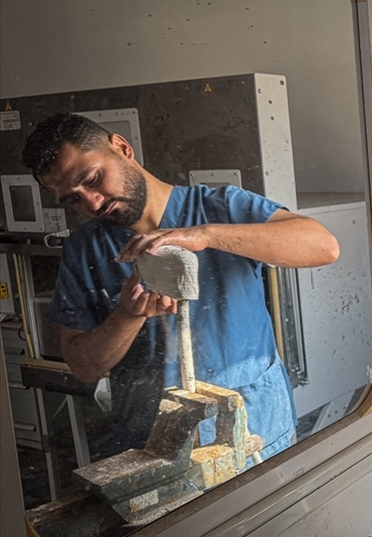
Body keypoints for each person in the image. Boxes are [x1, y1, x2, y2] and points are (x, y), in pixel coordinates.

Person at [22, 112, 340, 461]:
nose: (92, 203)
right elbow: (84, 366)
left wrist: (206, 235)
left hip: (255, 433)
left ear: (122, 148)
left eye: (94, 178)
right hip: (153, 446)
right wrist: (127, 317)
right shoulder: (85, 250)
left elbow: (323, 245)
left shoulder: (220, 208)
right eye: (72, 199)